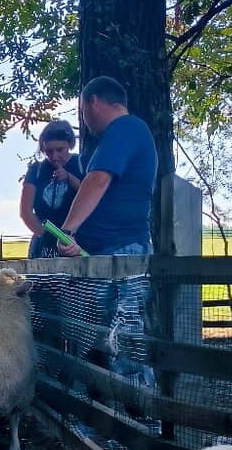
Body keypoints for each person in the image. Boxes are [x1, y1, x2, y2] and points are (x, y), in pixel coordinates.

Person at [57, 76, 158, 387]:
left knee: (122, 337)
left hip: (120, 253)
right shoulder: (126, 134)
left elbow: (97, 179)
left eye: (82, 110)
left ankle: (139, 411)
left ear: (93, 102)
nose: (84, 120)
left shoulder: (125, 128)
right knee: (104, 337)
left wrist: (69, 229)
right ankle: (107, 410)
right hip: (108, 252)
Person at [20, 120, 85, 258]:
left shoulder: (82, 164)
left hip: (77, 242)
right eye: (49, 151)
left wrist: (69, 178)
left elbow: (89, 196)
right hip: (44, 244)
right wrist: (44, 236)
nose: (54, 157)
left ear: (70, 144)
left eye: (60, 150)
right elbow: (25, 212)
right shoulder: (36, 170)